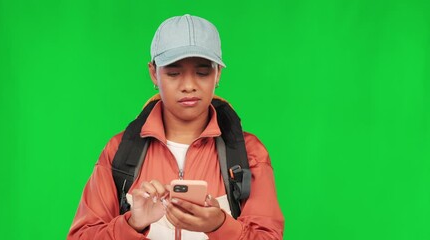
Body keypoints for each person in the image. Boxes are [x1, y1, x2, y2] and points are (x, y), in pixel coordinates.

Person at [68, 14, 284, 240]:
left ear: (218, 73)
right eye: (173, 73)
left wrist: (220, 225)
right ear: (153, 73)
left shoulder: (249, 153)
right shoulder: (118, 152)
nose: (189, 86)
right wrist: (132, 224)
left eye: (202, 72)